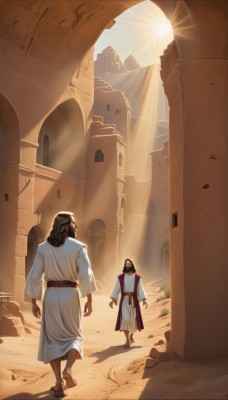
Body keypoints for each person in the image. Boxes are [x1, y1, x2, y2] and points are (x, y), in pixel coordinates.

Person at [24, 211, 96, 397]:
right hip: (71, 293)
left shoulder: (43, 248)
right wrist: (89, 298)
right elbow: (86, 275)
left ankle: (58, 383)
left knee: (52, 341)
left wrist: (34, 301)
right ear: (65, 225)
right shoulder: (79, 247)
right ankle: (69, 370)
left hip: (51, 296)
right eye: (74, 222)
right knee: (74, 336)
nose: (76, 225)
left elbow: (34, 276)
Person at [109, 258, 148, 348]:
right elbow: (116, 288)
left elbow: (140, 289)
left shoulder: (137, 277)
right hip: (124, 301)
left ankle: (131, 335)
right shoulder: (121, 277)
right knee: (125, 319)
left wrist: (144, 300)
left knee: (133, 321)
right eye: (126, 264)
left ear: (132, 265)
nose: (127, 265)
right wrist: (112, 300)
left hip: (134, 301)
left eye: (129, 264)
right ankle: (127, 340)